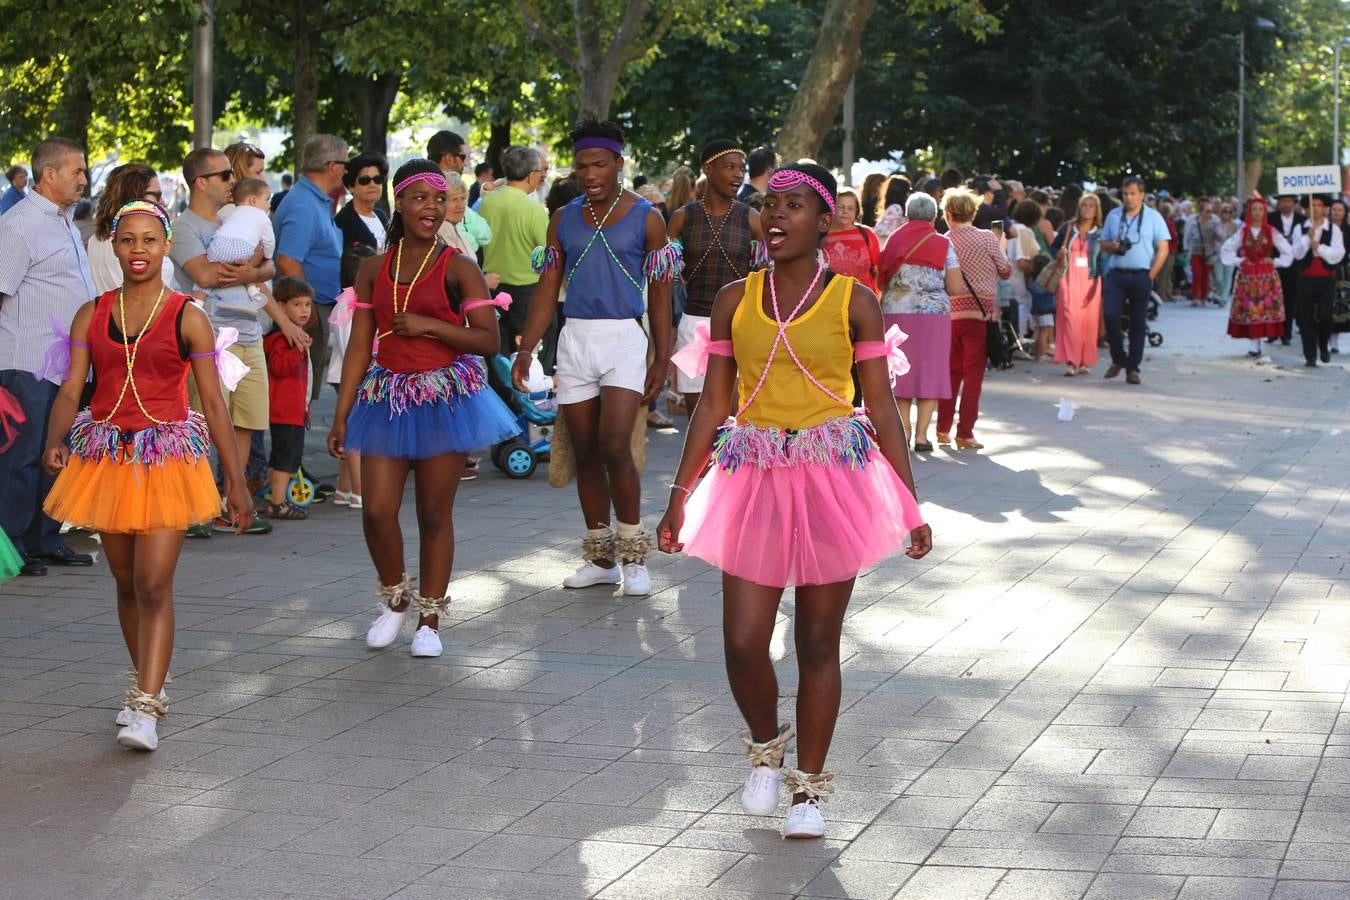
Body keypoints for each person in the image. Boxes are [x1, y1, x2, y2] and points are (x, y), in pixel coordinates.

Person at [657, 162, 931, 840]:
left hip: (833, 475)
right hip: (751, 474)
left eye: (792, 207)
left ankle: (807, 790)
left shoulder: (853, 300)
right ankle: (764, 743)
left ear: (823, 219)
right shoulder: (734, 299)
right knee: (743, 641)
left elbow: (885, 411)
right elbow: (713, 404)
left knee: (816, 639)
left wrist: (910, 503)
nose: (774, 218)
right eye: (767, 207)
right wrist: (678, 496)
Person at [41, 200, 254, 751]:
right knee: (126, 581)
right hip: (106, 459)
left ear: (166, 247)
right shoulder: (92, 313)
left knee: (155, 583)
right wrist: (54, 440)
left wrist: (237, 482)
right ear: (114, 245)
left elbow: (212, 400)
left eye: (150, 241)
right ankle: (145, 682)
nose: (139, 250)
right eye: (128, 240)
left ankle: (146, 707)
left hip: (166, 460)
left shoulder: (188, 315)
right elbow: (72, 388)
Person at [328, 159, 519, 658]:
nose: (431, 208)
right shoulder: (374, 269)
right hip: (387, 397)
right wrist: (342, 412)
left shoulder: (459, 265)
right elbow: (358, 347)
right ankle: (395, 598)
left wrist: (431, 326)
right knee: (376, 511)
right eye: (419, 199)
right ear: (400, 203)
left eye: (438, 199)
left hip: (444, 397)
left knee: (434, 513)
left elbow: (488, 339)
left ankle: (429, 619)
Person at [511, 119, 675, 597]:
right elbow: (546, 291)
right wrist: (525, 348)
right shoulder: (561, 218)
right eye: (582, 165)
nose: (590, 173)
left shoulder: (648, 217)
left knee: (615, 447)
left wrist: (662, 359)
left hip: (625, 339)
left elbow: (662, 294)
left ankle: (634, 555)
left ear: (619, 164)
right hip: (574, 339)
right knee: (585, 454)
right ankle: (601, 558)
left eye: (599, 164)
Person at [171, 147, 298, 536]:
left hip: (250, 333)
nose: (233, 181)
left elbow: (268, 267)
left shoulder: (237, 218)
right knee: (207, 422)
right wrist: (252, 269)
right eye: (225, 175)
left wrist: (255, 270)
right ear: (201, 182)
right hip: (211, 337)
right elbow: (207, 277)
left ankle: (232, 503)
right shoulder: (183, 228)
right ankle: (197, 507)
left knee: (246, 423)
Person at [0, 137, 98, 576]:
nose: (84, 178)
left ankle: (45, 538)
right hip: (27, 360)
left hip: (67, 364)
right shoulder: (19, 225)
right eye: (76, 171)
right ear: (49, 174)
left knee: (57, 452)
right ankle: (15, 545)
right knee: (21, 458)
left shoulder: (65, 221)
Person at [667, 140, 765, 416]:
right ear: (708, 169)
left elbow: (764, 278)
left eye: (741, 168)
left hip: (740, 326)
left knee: (733, 419)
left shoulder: (752, 218)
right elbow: (665, 281)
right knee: (696, 415)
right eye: (730, 167)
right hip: (693, 325)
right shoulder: (681, 218)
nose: (738, 174)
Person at [877, 192, 960, 452]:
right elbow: (955, 286)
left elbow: (882, 275)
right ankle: (923, 436)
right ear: (934, 216)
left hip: (895, 313)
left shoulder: (894, 239)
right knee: (930, 371)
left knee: (900, 371)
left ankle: (904, 430)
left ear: (908, 214)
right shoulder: (943, 244)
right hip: (933, 316)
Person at [936, 186, 1011, 450]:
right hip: (980, 316)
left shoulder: (944, 240)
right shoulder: (988, 238)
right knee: (973, 374)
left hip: (950, 315)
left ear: (948, 213)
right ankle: (965, 432)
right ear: (973, 211)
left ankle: (942, 428)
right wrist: (1001, 246)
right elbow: (1005, 271)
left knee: (950, 372)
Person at [274, 134, 346, 401]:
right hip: (307, 312)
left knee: (304, 398)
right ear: (332, 166)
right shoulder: (304, 204)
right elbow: (287, 261)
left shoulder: (314, 200)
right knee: (298, 398)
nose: (346, 170)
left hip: (314, 308)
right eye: (345, 163)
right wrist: (308, 310)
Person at [479, 146, 550, 367]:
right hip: (526, 292)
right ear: (532, 175)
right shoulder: (535, 210)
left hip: (491, 287)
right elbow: (547, 255)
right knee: (528, 357)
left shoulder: (486, 202)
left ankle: (504, 400)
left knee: (499, 358)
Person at [1098, 176, 1170, 385]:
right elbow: (1102, 243)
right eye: (1125, 194)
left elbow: (1163, 248)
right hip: (1116, 273)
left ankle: (1133, 368)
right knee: (1110, 314)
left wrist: (1151, 275)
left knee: (1138, 322)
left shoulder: (1153, 217)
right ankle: (1119, 357)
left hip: (1141, 274)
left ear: (1141, 195)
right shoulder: (1113, 215)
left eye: (1132, 194)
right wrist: (1112, 245)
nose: (1128, 198)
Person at [327, 245, 376, 510]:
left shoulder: (352, 302)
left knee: (349, 427)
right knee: (357, 432)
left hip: (351, 374)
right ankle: (359, 489)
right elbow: (351, 346)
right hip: (354, 376)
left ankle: (343, 487)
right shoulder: (350, 304)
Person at [262, 277, 314, 520]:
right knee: (286, 457)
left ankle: (276, 496)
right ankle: (279, 501)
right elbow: (279, 367)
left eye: (307, 305)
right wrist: (297, 350)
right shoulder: (281, 339)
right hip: (284, 409)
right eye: (297, 305)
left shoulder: (297, 337)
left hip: (294, 409)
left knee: (283, 455)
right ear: (281, 307)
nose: (304, 311)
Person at [1221, 197, 1292, 357]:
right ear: (1249, 212)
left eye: (1261, 209)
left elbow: (1288, 251)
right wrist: (1239, 260)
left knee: (1262, 309)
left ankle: (1256, 344)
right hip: (1248, 275)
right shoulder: (1243, 231)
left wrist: (1275, 261)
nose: (1257, 213)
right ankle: (1255, 344)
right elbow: (1226, 249)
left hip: (1266, 276)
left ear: (1265, 211)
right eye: (1254, 209)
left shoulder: (1271, 231)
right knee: (1250, 309)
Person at [88, 163, 175, 293]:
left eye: (148, 239)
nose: (162, 201)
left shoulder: (94, 239)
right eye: (156, 194)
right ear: (133, 195)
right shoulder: (153, 257)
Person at [1052, 193, 1104, 376]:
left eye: (1091, 206)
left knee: (1089, 322)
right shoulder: (1068, 227)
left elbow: (1103, 259)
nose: (1087, 209)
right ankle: (1071, 360)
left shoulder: (1100, 232)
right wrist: (1059, 253)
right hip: (1069, 276)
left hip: (1091, 279)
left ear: (1097, 210)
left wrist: (1101, 280)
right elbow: (1054, 247)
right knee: (1070, 318)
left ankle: (1084, 361)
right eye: (1084, 205)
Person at [1291, 194, 1345, 366]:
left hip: (1326, 278)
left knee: (1326, 316)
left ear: (1325, 208)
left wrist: (1319, 248)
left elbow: (1338, 254)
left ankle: (1323, 344)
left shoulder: (1334, 229)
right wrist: (1308, 238)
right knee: (1305, 318)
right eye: (1312, 205)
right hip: (1305, 277)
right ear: (1306, 209)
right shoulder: (1300, 228)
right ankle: (1310, 354)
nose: (1316, 209)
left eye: (1319, 205)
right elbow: (1296, 253)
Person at [427, 130, 492, 253]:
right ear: (449, 159)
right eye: (463, 157)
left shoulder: (429, 188)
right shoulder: (430, 193)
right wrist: (469, 238)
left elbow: (486, 233)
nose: (466, 163)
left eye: (461, 199)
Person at [822, 189, 879, 292]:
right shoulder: (821, 236)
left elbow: (877, 270)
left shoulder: (867, 234)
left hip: (864, 301)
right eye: (840, 207)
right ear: (832, 209)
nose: (845, 211)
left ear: (857, 211)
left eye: (850, 208)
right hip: (832, 301)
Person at [334, 154, 390, 253]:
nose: (372, 185)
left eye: (378, 179)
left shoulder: (380, 215)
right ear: (351, 186)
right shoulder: (342, 221)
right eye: (365, 180)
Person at [1271, 194, 1305, 346]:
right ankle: (1272, 332)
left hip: (1294, 266)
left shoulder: (1302, 220)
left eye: (1289, 201)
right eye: (1283, 201)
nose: (1286, 204)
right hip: (1274, 263)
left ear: (1294, 203)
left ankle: (1286, 333)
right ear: (1279, 203)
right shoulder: (1270, 218)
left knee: (1290, 300)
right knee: (1272, 299)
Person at [1184, 198, 1221, 307]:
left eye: (1210, 211)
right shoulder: (1193, 223)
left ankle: (1204, 298)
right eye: (1207, 211)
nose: (1209, 213)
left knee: (1206, 276)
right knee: (1197, 275)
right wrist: (1186, 249)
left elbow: (1220, 238)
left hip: (1209, 254)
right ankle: (1196, 297)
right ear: (1201, 211)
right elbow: (1187, 237)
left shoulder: (1215, 222)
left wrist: (1215, 230)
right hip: (1196, 253)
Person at [1212, 201, 1240, 306]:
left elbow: (1235, 239)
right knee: (1218, 277)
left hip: (1229, 254)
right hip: (1218, 253)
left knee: (1228, 276)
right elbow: (1212, 238)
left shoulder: (1235, 225)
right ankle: (1221, 292)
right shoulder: (1215, 224)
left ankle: (1223, 298)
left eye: (1229, 212)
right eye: (1225, 212)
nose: (1227, 214)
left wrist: (1224, 238)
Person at [873, 175, 911, 243]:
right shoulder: (896, 209)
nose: (909, 194)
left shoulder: (891, 207)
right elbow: (896, 230)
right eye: (908, 191)